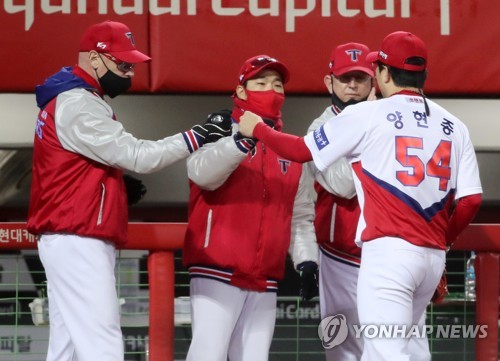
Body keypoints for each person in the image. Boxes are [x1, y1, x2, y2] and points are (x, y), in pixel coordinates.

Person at [238, 31, 483, 360]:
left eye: (365, 75)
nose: (354, 85)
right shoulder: (454, 123)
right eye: (346, 78)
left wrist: (258, 128)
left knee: (383, 353)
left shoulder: (369, 115)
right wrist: (444, 242)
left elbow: (299, 151)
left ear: (381, 74)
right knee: (411, 349)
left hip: (389, 253)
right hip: (428, 253)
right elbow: (470, 201)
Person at [27, 20, 231, 361]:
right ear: (94, 59)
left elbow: (71, 167)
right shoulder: (79, 103)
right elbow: (139, 156)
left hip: (68, 235)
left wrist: (114, 184)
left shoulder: (72, 96)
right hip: (78, 238)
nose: (129, 73)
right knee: (101, 345)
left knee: (67, 348)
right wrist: (198, 134)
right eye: (122, 64)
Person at [182, 55, 318, 361]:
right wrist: (240, 140)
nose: (271, 90)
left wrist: (306, 260)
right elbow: (200, 173)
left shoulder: (289, 147)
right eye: (261, 83)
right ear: (241, 91)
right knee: (207, 356)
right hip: (217, 269)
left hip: (265, 278)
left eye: (277, 84)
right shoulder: (218, 129)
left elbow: (300, 216)